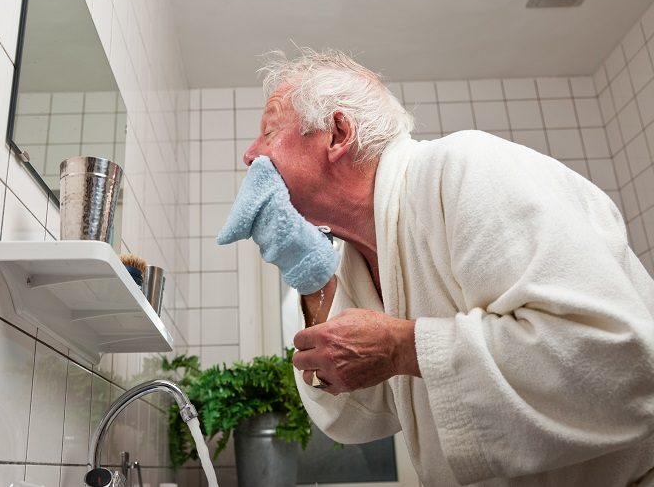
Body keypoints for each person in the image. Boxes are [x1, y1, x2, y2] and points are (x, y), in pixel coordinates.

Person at [217, 48, 654, 486]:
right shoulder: (355, 257)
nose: (251, 156)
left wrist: (403, 348)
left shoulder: (467, 167)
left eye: (270, 131)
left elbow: (620, 361)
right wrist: (307, 274)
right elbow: (355, 419)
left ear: (337, 133)